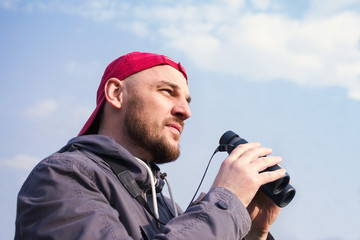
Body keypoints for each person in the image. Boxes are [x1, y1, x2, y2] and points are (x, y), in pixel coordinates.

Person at [15, 52, 286, 240]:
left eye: (188, 101)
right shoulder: (63, 177)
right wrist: (226, 201)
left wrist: (250, 231)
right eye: (167, 91)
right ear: (116, 94)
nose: (185, 111)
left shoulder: (168, 208)